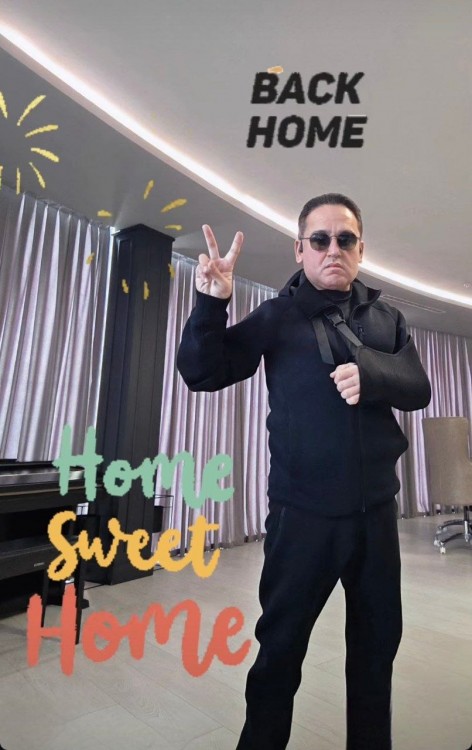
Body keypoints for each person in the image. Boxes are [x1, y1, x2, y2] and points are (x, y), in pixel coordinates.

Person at [177, 193, 431, 750]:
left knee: (376, 652)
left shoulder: (386, 318)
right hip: (302, 516)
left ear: (361, 249)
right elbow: (202, 373)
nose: (333, 249)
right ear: (300, 250)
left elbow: (418, 386)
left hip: (376, 515)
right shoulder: (277, 316)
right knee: (280, 653)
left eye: (345, 239)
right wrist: (210, 304)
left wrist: (371, 374)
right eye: (320, 239)